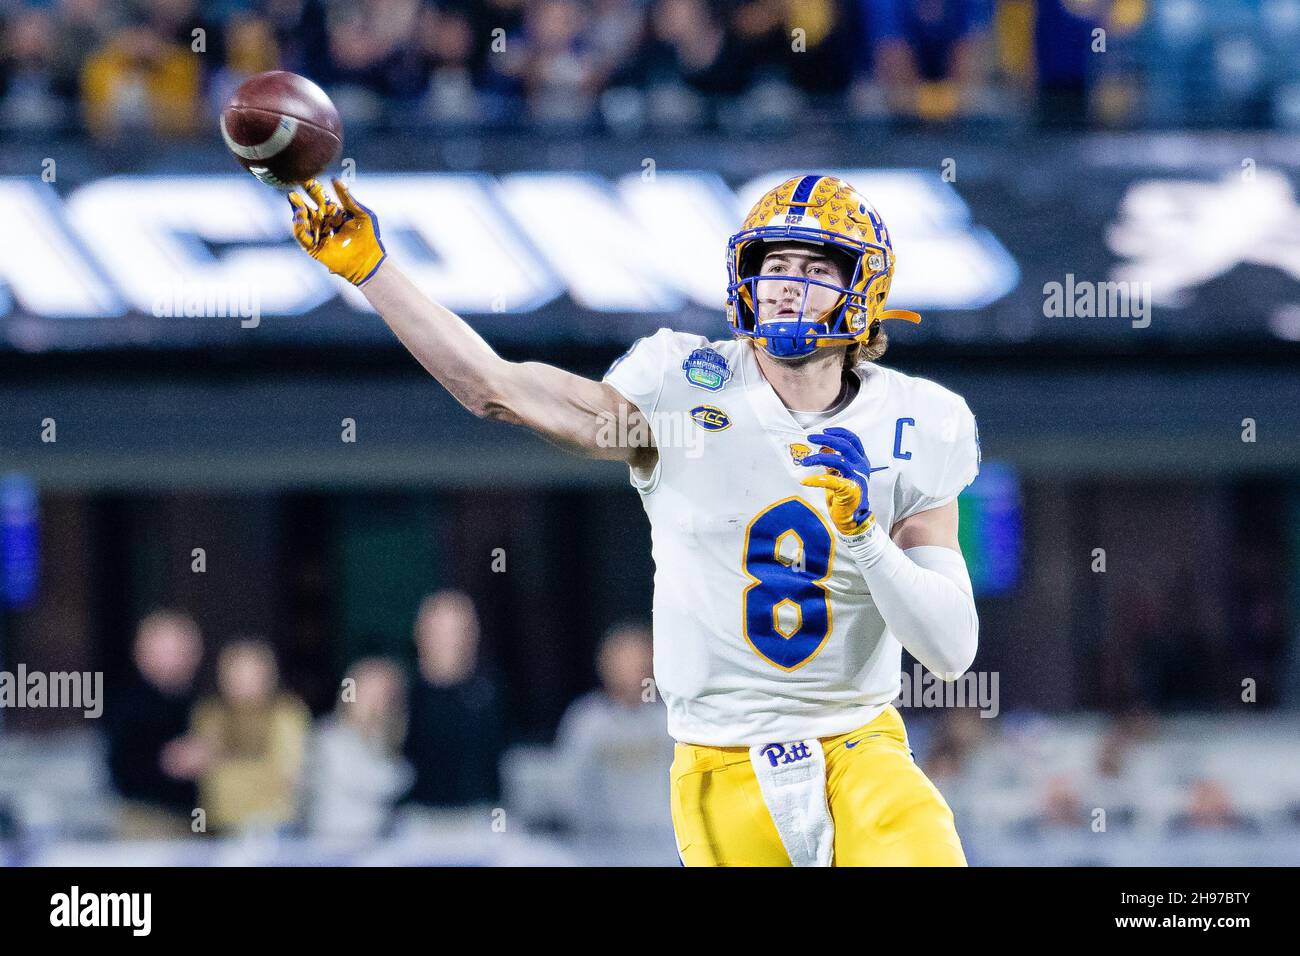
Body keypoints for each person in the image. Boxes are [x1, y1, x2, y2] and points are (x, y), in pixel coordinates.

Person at [288, 172, 981, 866]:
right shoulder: (681, 380)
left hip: (861, 747)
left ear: (866, 288)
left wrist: (864, 537)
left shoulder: (921, 420)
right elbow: (494, 388)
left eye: (814, 267)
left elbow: (950, 651)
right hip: (720, 763)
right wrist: (375, 273)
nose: (787, 285)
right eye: (773, 265)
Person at [553, 622, 675, 864]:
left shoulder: (670, 719)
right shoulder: (586, 720)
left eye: (639, 661)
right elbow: (567, 787)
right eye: (624, 661)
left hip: (664, 846)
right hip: (599, 848)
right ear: (606, 665)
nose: (633, 671)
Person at [191, 638, 311, 834]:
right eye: (235, 673)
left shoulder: (288, 714)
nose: (243, 682)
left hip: (275, 827)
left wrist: (224, 761)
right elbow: (204, 773)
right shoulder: (208, 714)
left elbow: (289, 777)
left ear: (269, 675)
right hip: (218, 827)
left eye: (251, 674)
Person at [401, 591, 505, 811]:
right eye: (440, 631)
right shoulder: (400, 696)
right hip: (416, 823)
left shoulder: (492, 695)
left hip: (483, 821)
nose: (449, 641)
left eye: (458, 631)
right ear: (421, 633)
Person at [106, 610, 205, 839]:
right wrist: (168, 764)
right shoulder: (129, 706)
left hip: (199, 821)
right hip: (149, 821)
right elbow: (121, 772)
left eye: (181, 651)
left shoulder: (201, 705)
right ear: (142, 653)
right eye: (165, 651)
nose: (175, 659)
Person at [304, 657, 413, 839]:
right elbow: (380, 782)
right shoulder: (328, 737)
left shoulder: (392, 740)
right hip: (330, 843)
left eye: (382, 696)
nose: (373, 703)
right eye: (367, 693)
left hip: (379, 843)